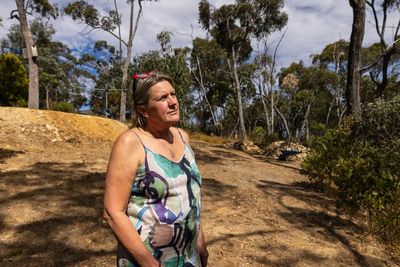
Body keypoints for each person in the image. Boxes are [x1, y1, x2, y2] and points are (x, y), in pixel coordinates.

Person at [103, 71, 208, 267]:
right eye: (162, 98)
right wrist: (149, 263)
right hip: (148, 259)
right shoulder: (130, 143)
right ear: (143, 110)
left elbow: (190, 197)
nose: (173, 102)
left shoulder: (183, 137)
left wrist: (199, 239)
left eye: (173, 94)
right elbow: (113, 211)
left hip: (188, 256)